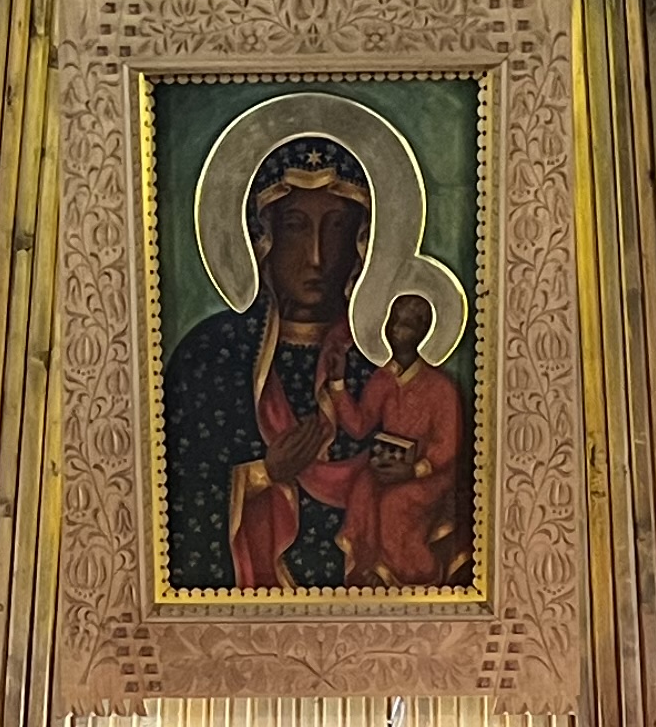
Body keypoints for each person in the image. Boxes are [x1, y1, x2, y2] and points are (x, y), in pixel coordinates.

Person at [162, 136, 376, 592]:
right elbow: (170, 500)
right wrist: (262, 475)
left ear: (360, 243)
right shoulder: (210, 358)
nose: (316, 256)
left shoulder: (374, 365)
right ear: (262, 239)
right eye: (296, 227)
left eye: (336, 228)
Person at [332, 290, 470, 588]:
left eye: (405, 324)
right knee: (362, 489)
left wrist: (413, 470)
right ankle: (367, 568)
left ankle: (412, 575)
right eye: (393, 321)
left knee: (394, 504)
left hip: (430, 474)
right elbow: (359, 425)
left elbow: (447, 444)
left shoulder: (440, 387)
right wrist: (338, 384)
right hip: (391, 467)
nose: (396, 330)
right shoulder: (383, 379)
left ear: (422, 331)